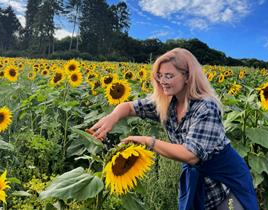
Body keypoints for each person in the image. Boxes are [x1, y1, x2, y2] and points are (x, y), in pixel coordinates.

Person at [90, 48, 258, 210]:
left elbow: (191, 155)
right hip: (197, 182)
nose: (162, 81)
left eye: (169, 76)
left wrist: (148, 141)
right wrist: (112, 117)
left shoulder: (205, 107)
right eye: (160, 76)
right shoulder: (168, 102)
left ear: (187, 76)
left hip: (225, 183)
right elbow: (129, 107)